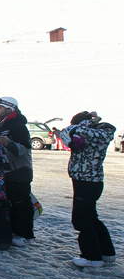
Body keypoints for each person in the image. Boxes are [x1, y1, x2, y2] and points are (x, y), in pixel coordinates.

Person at [59, 111, 117, 268]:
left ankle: (92, 257)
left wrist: (76, 127)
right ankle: (107, 253)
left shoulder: (100, 131)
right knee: (91, 217)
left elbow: (78, 133)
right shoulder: (89, 132)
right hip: (87, 181)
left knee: (81, 219)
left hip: (88, 182)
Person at [0, 96, 34, 247]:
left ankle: (23, 234)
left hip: (20, 170)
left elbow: (23, 149)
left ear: (9, 109)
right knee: (10, 202)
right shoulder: (3, 124)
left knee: (20, 203)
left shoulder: (18, 125)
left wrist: (8, 143)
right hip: (7, 170)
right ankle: (13, 230)